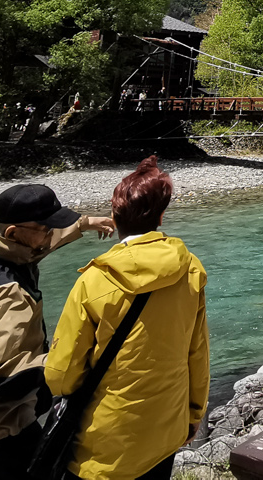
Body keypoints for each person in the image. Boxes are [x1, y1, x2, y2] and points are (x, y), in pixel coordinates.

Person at [0, 185, 114, 479]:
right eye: (46, 228)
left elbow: (35, 247)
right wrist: (73, 358)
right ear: (13, 233)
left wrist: (84, 224)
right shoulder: (7, 294)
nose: (51, 235)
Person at [45, 156, 209, 480]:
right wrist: (193, 416)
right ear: (161, 216)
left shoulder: (93, 281)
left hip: (104, 447)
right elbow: (197, 354)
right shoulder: (190, 270)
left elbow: (61, 377)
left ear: (114, 216)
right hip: (164, 434)